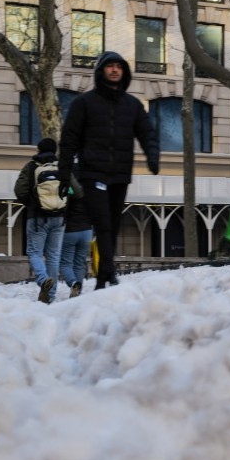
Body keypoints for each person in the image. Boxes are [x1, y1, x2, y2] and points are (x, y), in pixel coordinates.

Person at [58, 51, 160, 289]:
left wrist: (152, 156)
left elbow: (147, 133)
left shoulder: (132, 105)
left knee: (113, 224)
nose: (114, 70)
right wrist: (64, 175)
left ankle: (105, 273)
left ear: (123, 72)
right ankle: (107, 273)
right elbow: (68, 140)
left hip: (120, 175)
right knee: (103, 223)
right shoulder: (83, 103)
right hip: (93, 174)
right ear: (101, 71)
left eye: (119, 67)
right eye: (110, 66)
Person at [14, 137, 67, 303]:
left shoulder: (31, 166)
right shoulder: (62, 167)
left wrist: (32, 203)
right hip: (59, 217)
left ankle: (44, 281)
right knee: (53, 257)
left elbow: (19, 190)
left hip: (37, 218)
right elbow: (72, 189)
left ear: (39, 150)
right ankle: (50, 296)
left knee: (34, 253)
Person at [58, 175, 93, 298]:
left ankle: (73, 283)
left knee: (65, 264)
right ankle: (78, 294)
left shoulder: (70, 190)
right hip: (87, 231)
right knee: (79, 263)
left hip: (70, 231)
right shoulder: (91, 189)